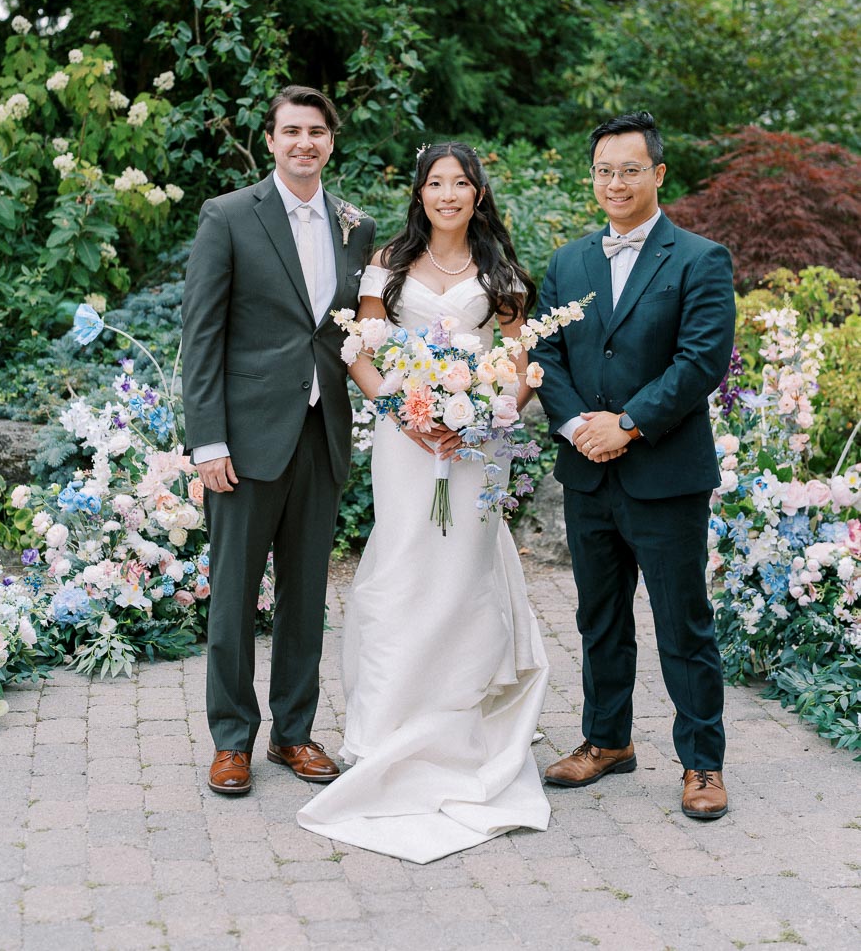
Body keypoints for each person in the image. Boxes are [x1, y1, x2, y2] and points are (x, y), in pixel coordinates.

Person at [297, 142, 550, 863]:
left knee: (464, 573)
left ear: (477, 194)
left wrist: (492, 410)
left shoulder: (498, 271)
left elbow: (521, 359)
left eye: (461, 183)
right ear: (420, 192)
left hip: (474, 448)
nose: (448, 194)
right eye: (436, 183)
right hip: (407, 445)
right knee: (405, 565)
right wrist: (405, 412)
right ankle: (387, 726)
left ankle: (463, 718)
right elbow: (359, 350)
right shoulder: (389, 267)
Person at [534, 110, 735, 820]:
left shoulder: (700, 259)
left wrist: (627, 425)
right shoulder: (568, 262)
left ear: (658, 174)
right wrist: (576, 426)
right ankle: (607, 740)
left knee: (682, 622)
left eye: (628, 169)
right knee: (598, 616)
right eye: (603, 170)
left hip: (665, 473)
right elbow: (545, 353)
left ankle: (702, 762)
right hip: (588, 473)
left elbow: (700, 360)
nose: (614, 182)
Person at [181, 85, 376, 797]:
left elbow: (356, 328)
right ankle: (233, 740)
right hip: (246, 438)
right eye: (291, 131)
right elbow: (201, 337)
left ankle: (294, 733)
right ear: (271, 140)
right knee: (232, 594)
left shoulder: (357, 226)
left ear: (331, 141)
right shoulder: (229, 217)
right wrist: (208, 442)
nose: (304, 143)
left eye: (316, 132)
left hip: (321, 435)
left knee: (305, 597)